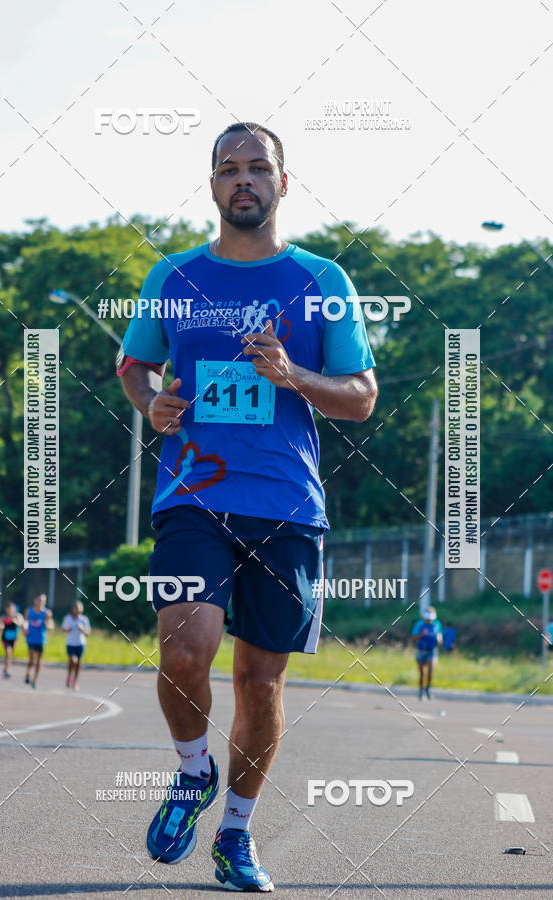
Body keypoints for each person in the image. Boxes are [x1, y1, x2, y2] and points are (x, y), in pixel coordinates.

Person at [118, 121, 377, 892]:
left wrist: (295, 374)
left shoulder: (322, 281)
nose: (243, 180)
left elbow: (360, 398)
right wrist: (153, 404)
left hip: (287, 506)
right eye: (228, 168)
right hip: (193, 495)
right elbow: (136, 364)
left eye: (257, 168)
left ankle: (235, 834)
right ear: (212, 186)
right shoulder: (172, 276)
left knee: (260, 684)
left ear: (282, 184)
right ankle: (192, 772)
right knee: (182, 648)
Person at [23, 593, 54, 689]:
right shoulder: (29, 611)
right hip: (31, 638)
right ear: (35, 601)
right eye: (39, 600)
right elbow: (25, 622)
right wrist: (24, 628)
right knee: (31, 659)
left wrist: (48, 626)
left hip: (41, 639)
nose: (41, 602)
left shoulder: (47, 613)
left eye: (43, 601)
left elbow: (51, 625)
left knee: (39, 660)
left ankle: (35, 680)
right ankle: (28, 673)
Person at [412, 606, 442, 700]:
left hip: (432, 650)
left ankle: (428, 688)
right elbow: (414, 637)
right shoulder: (419, 625)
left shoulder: (437, 624)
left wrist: (439, 639)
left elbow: (439, 635)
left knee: (430, 669)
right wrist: (421, 634)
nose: (429, 621)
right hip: (421, 650)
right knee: (421, 673)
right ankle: (421, 690)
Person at [62, 601, 91, 690]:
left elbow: (88, 633)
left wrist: (82, 629)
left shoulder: (84, 619)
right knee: (72, 660)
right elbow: (63, 628)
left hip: (80, 643)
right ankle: (69, 677)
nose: (77, 610)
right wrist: (68, 629)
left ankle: (75, 681)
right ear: (73, 609)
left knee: (78, 663)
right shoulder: (68, 618)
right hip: (70, 643)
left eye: (79, 608)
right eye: (76, 608)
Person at [0, 602, 25, 679]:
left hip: (13, 638)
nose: (10, 610)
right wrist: (1, 626)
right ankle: (8, 670)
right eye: (9, 609)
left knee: (9, 654)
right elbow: (1, 625)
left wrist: (15, 622)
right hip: (5, 638)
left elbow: (20, 624)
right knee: (8, 652)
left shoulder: (16, 617)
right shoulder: (4, 617)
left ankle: (6, 668)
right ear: (6, 609)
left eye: (12, 609)